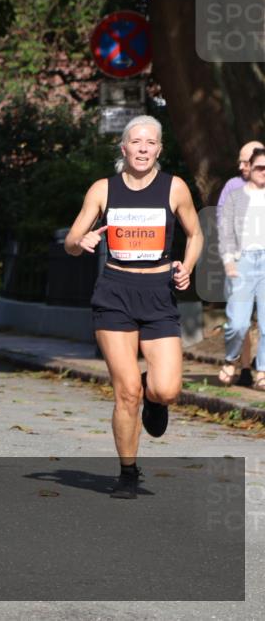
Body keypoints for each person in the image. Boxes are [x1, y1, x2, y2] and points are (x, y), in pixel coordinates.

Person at [64, 115, 203, 500]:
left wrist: (186, 267)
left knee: (168, 388)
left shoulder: (174, 188)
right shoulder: (102, 190)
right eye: (136, 142)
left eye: (151, 143)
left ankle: (152, 395)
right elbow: (71, 242)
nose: (143, 149)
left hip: (158, 294)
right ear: (123, 147)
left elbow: (195, 234)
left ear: (159, 149)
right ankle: (128, 472)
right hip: (115, 293)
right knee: (125, 392)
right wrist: (84, 240)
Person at [216, 140, 265, 385]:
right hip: (241, 260)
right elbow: (222, 222)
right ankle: (240, 364)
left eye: (246, 161)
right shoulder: (234, 187)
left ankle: (256, 369)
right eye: (242, 161)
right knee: (240, 321)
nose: (242, 166)